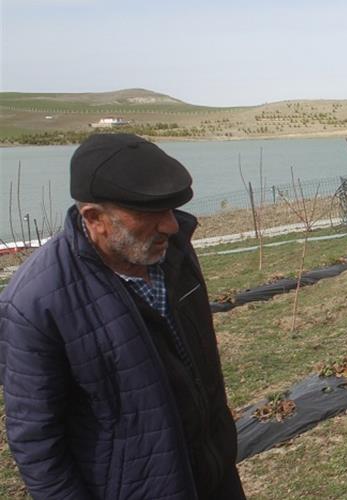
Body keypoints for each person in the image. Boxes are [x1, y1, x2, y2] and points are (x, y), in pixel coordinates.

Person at [0, 133, 245, 498]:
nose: (171, 226)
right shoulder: (35, 303)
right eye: (151, 213)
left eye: (171, 208)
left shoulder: (173, 253)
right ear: (95, 218)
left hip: (214, 477)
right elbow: (38, 444)